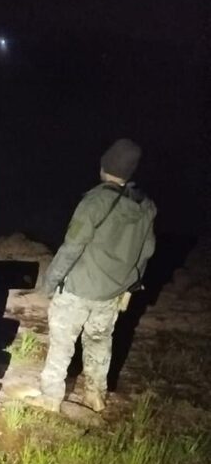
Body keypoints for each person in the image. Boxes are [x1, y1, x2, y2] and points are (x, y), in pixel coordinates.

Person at [29, 138, 156, 413]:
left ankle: (50, 396)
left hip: (78, 287)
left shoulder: (96, 201)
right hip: (111, 292)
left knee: (63, 342)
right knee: (99, 341)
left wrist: (50, 282)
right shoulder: (145, 207)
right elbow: (146, 252)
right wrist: (128, 288)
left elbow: (72, 246)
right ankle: (95, 395)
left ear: (104, 166)